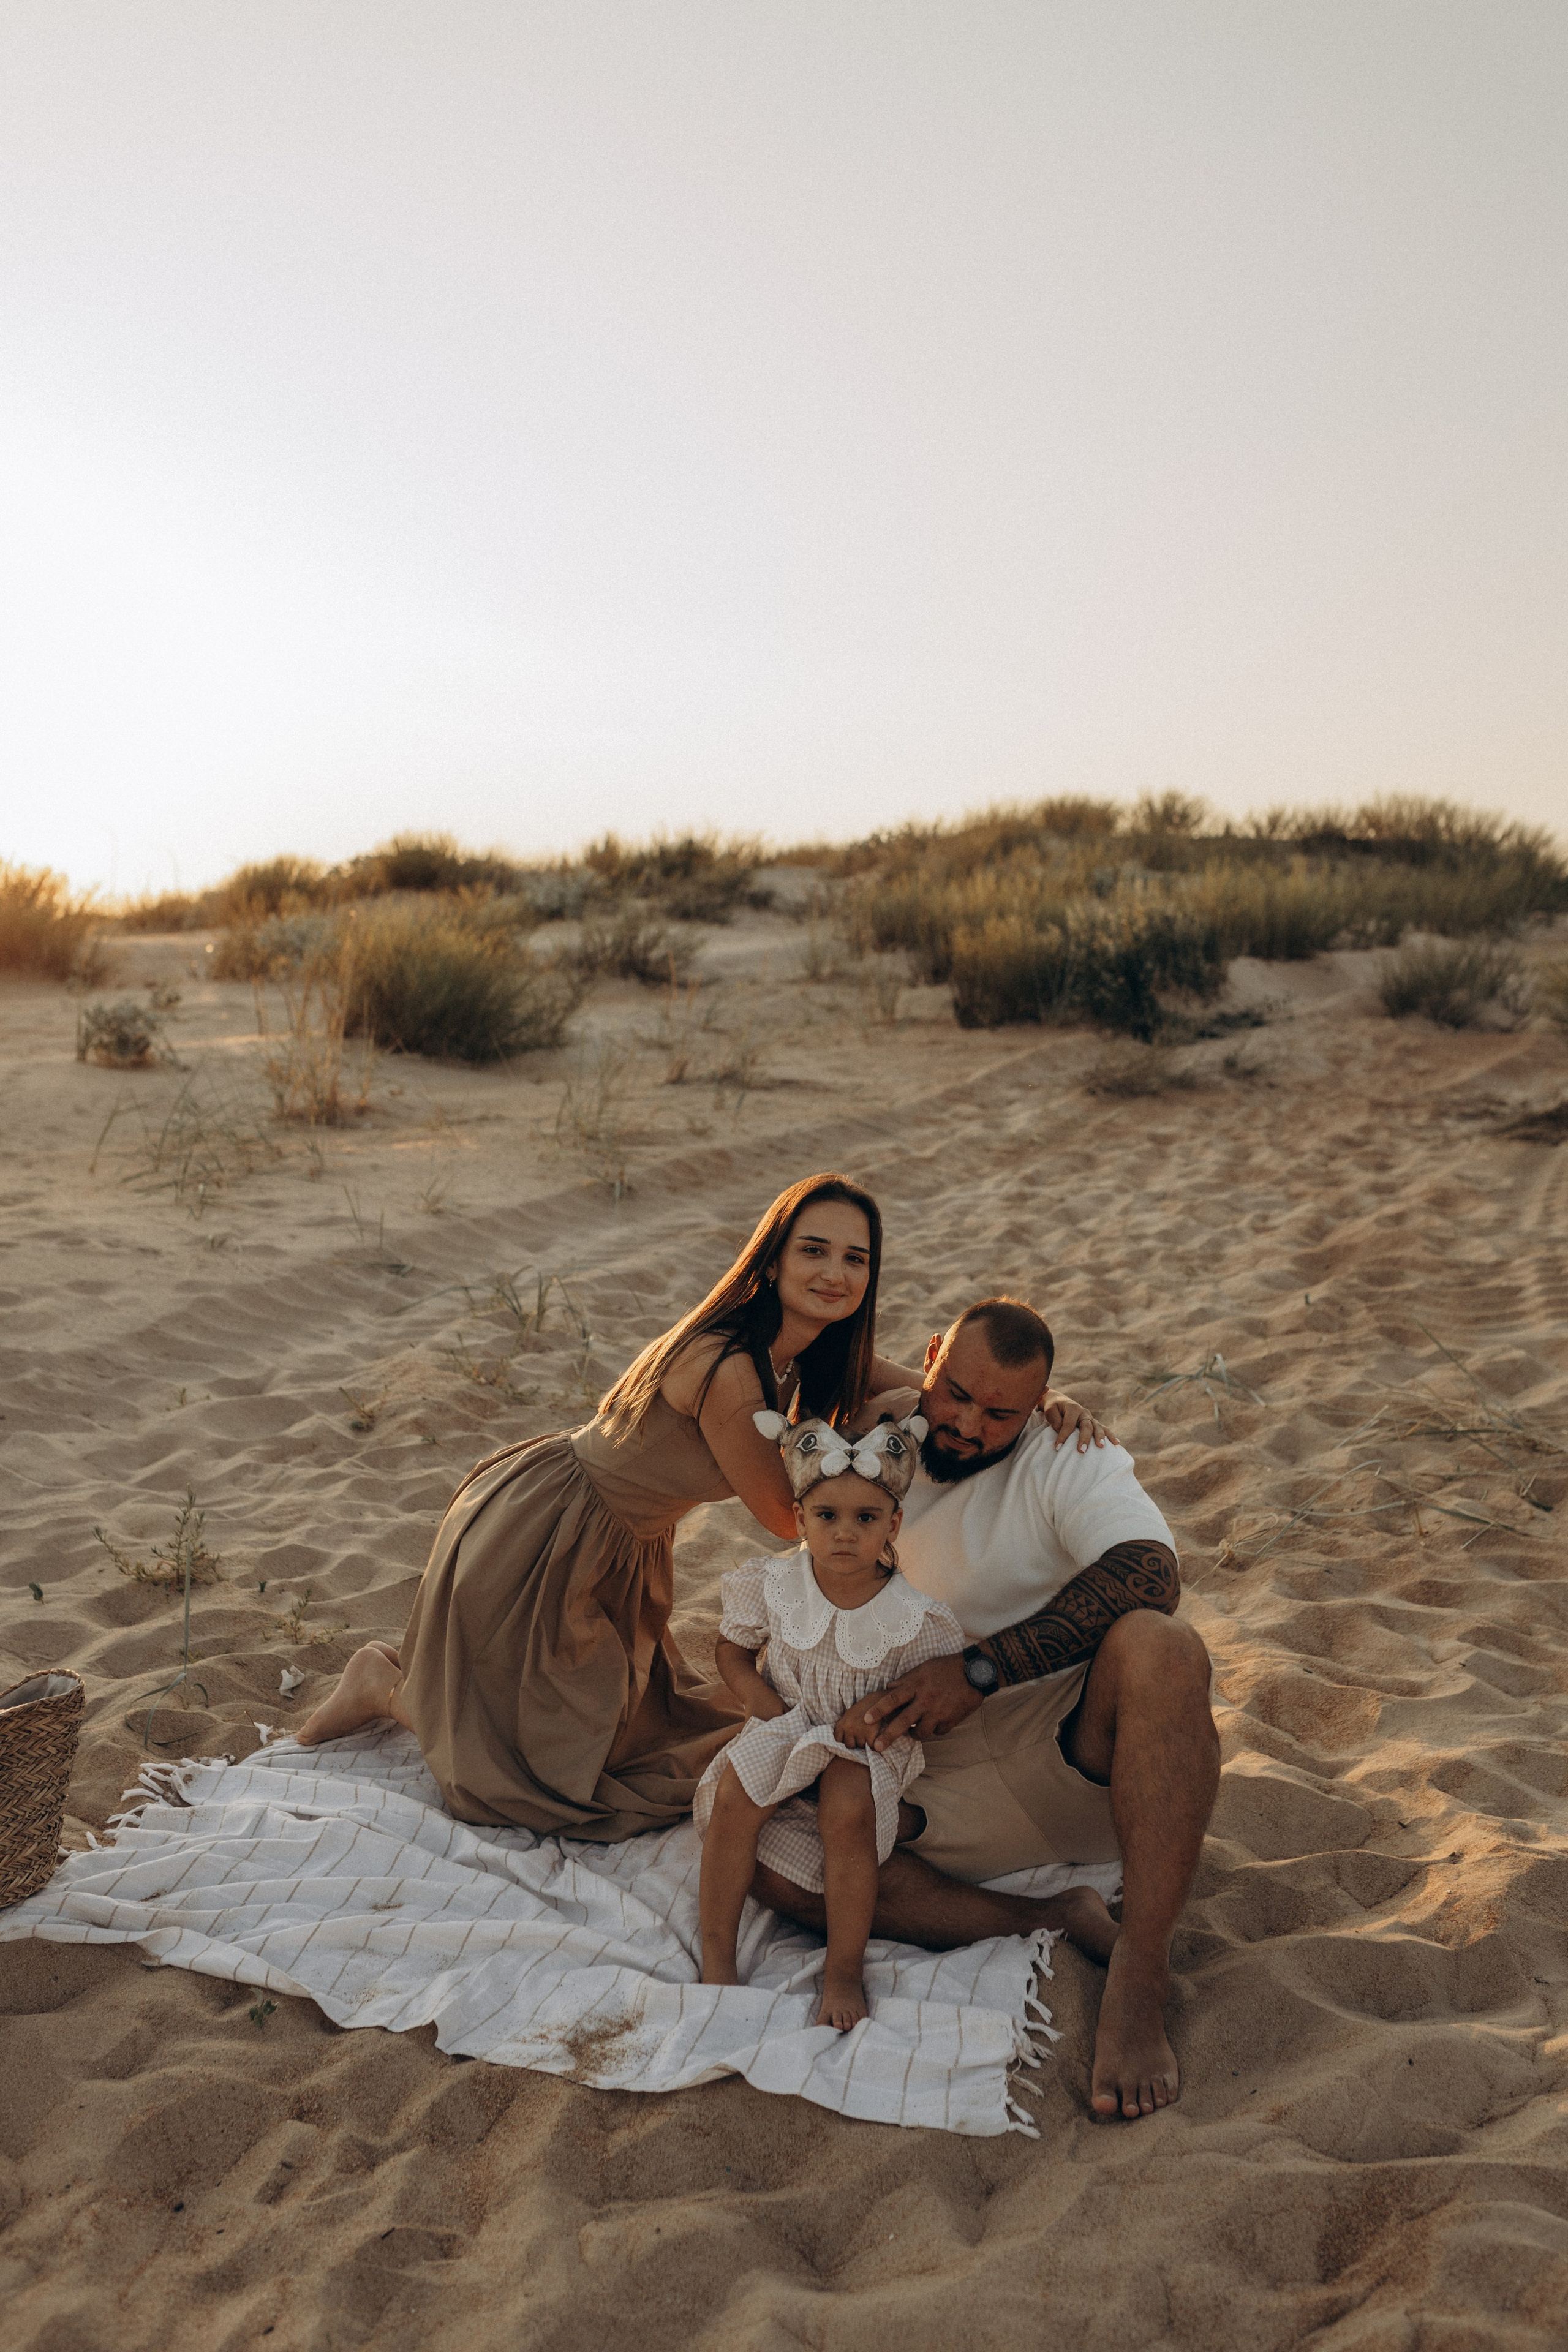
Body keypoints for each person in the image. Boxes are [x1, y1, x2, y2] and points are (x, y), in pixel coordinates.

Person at [298, 1178, 1105, 1838]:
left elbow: (934, 1391)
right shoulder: (729, 1365)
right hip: (550, 1529)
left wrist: (1039, 1404)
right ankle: (385, 1687)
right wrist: (877, 1429)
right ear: (775, 1255)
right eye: (813, 1250)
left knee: (612, 1748)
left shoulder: (814, 1347)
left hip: (622, 1543)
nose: (834, 1273)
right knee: (526, 1788)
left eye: (854, 1258)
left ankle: (414, 1687)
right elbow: (789, 1520)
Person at [750, 1297, 1221, 2125]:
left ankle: (1140, 1970)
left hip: (1064, 1747)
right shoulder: (885, 1429)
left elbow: (1152, 1572)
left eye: (1001, 1412)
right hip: (929, 1763)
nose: (968, 1425)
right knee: (774, 1861)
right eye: (954, 1394)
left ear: (1040, 1404)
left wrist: (981, 1667)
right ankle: (1054, 1916)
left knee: (1165, 1647)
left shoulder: (1067, 1453)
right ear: (928, 1360)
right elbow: (803, 1359)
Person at [694, 1414, 963, 2030]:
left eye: (866, 1519)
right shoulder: (776, 1583)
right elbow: (731, 1651)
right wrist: (760, 1704)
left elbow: (920, 1704)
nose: (845, 1534)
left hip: (858, 1741)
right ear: (799, 1519)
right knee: (737, 1794)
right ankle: (717, 1954)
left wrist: (875, 1717)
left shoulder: (914, 1618)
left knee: (847, 1812)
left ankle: (843, 1967)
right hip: (786, 1719)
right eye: (827, 1517)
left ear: (892, 1525)